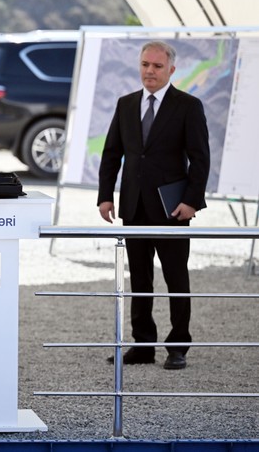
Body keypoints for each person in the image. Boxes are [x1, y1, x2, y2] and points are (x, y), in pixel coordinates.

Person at [97, 40, 210, 371]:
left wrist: (191, 201)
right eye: (145, 64)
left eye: (157, 66)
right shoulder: (125, 104)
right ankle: (143, 345)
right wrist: (105, 196)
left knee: (176, 278)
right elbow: (111, 154)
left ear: (171, 70)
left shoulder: (188, 106)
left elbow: (201, 159)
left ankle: (178, 347)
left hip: (172, 209)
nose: (150, 71)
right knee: (140, 280)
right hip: (133, 207)